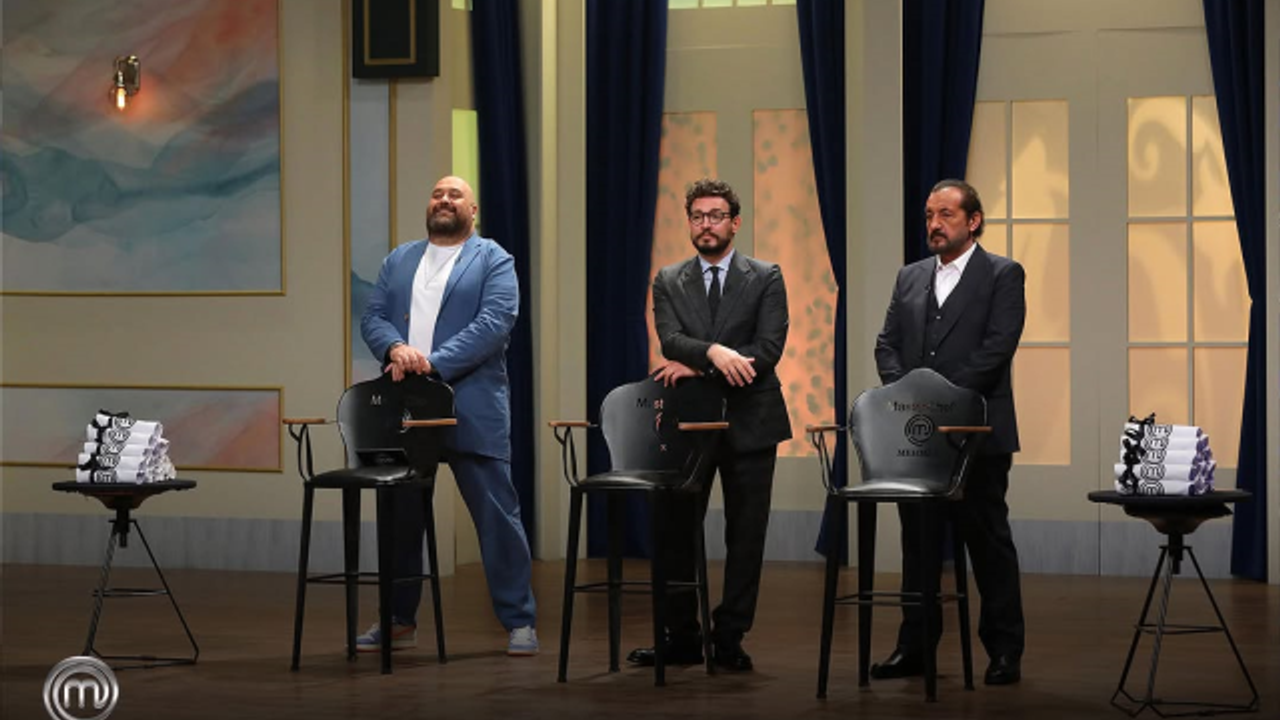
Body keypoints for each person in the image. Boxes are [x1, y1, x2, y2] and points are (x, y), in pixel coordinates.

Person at [360, 175, 538, 656]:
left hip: (470, 407)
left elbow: (495, 324)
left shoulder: (494, 259)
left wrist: (431, 363)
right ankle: (398, 620)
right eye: (437, 193)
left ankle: (520, 619)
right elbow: (373, 316)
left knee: (497, 516)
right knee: (400, 516)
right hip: (405, 407)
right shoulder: (399, 259)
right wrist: (394, 348)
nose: (443, 200)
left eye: (455, 195)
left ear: (472, 210)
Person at [627, 177, 791, 672]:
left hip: (752, 419)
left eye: (716, 216)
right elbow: (670, 340)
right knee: (676, 533)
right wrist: (715, 352)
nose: (706, 224)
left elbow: (768, 349)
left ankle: (730, 639)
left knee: (746, 537)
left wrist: (701, 365)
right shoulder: (668, 279)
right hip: (687, 424)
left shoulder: (766, 276)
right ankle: (681, 637)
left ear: (734, 223)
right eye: (697, 216)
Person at [871, 178, 1026, 685]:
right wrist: (908, 397)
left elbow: (997, 348)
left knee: (988, 542)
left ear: (973, 220)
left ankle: (1004, 650)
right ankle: (914, 646)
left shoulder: (1002, 274)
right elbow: (887, 344)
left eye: (946, 215)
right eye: (929, 216)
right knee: (917, 546)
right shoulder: (910, 277)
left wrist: (941, 401)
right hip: (916, 437)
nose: (934, 225)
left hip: (977, 432)